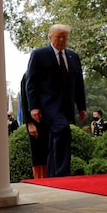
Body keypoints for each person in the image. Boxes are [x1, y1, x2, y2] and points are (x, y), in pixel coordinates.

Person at [24, 24, 86, 177]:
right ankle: (61, 173)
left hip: (66, 106)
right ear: (50, 37)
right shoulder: (39, 54)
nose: (61, 40)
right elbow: (31, 83)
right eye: (58, 36)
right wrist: (33, 107)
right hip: (47, 106)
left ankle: (53, 174)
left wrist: (82, 107)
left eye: (64, 37)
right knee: (62, 130)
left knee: (59, 137)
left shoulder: (73, 57)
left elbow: (79, 83)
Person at [19, 73, 48, 179]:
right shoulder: (28, 75)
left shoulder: (50, 73)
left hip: (51, 119)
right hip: (35, 122)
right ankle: (40, 181)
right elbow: (24, 101)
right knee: (38, 155)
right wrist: (29, 123)